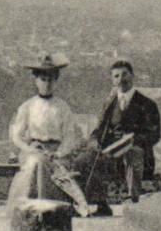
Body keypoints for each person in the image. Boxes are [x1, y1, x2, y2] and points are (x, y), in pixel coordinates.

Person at [6, 53, 96, 216]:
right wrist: (29, 149)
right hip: (33, 150)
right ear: (36, 81)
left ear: (56, 81)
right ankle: (34, 206)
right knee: (37, 162)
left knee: (52, 164)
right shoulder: (28, 106)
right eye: (43, 80)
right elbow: (17, 136)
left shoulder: (62, 107)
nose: (46, 84)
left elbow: (70, 136)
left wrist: (59, 152)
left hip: (56, 151)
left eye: (50, 80)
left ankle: (54, 207)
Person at [90, 60, 161, 203]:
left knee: (132, 153)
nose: (121, 79)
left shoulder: (147, 104)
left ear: (132, 76)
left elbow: (154, 134)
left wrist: (132, 140)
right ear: (112, 81)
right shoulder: (110, 104)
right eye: (116, 76)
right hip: (113, 152)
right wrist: (94, 140)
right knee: (85, 159)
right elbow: (100, 129)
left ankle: (133, 198)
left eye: (125, 74)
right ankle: (100, 203)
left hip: (138, 152)